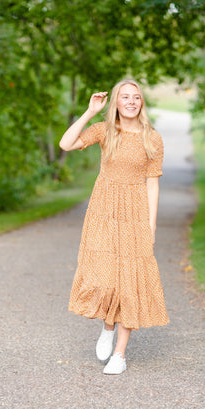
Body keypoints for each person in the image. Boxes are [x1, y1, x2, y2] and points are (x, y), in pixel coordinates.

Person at [59, 79, 169, 375]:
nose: (131, 101)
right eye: (125, 97)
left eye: (136, 97)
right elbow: (66, 144)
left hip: (135, 214)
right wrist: (90, 112)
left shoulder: (152, 138)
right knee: (104, 278)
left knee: (130, 282)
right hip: (104, 211)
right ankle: (108, 326)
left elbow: (153, 185)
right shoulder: (106, 131)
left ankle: (119, 354)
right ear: (116, 103)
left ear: (141, 102)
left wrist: (151, 226)